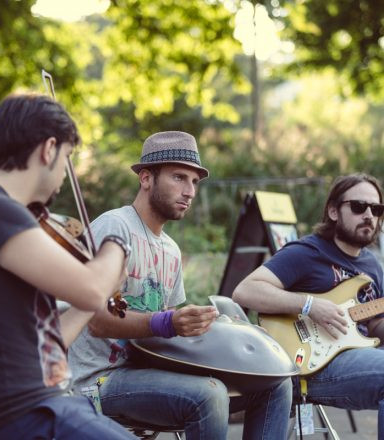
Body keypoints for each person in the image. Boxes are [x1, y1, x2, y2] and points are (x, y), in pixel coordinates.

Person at [68, 131, 293, 440]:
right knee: (209, 395)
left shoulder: (171, 250)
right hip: (99, 380)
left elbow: (161, 340)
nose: (189, 191)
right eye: (179, 177)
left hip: (146, 371)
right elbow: (95, 321)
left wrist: (222, 333)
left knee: (275, 382)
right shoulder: (115, 227)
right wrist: (168, 322)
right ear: (146, 178)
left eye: (195, 182)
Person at [0, 93, 136, 440]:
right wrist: (117, 244)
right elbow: (93, 288)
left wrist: (88, 303)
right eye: (66, 158)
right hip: (24, 413)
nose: (65, 172)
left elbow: (50, 340)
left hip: (46, 405)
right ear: (49, 149)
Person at [233, 173, 384, 438]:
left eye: (377, 209)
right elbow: (245, 291)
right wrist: (309, 305)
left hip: (353, 358)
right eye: (359, 207)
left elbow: (374, 326)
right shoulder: (307, 252)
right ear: (334, 211)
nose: (369, 215)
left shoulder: (372, 266)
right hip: (308, 367)